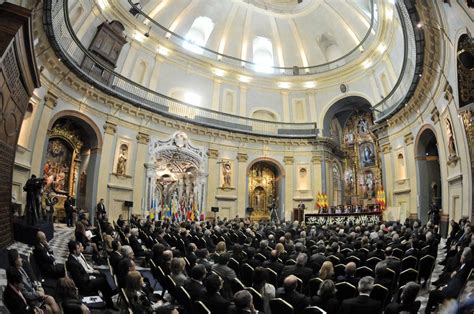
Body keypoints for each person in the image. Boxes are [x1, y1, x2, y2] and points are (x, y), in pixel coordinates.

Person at [66, 240, 118, 310]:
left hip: (86, 279)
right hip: (84, 286)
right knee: (102, 281)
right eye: (78, 248)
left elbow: (82, 274)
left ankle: (109, 296)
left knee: (102, 277)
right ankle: (109, 301)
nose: (81, 249)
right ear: (74, 251)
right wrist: (90, 277)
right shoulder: (72, 263)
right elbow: (79, 280)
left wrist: (90, 276)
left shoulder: (74, 258)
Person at [8, 249, 60, 314]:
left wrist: (37, 287)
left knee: (51, 299)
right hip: (32, 300)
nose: (21, 259)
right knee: (49, 309)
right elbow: (25, 295)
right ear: (14, 261)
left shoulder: (21, 268)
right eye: (19, 257)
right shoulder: (15, 276)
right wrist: (38, 294)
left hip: (35, 293)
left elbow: (29, 281)